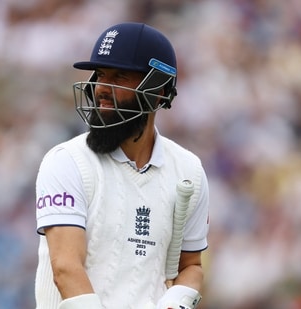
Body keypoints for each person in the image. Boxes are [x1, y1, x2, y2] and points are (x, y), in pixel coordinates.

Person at [34, 22, 210, 309]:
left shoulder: (189, 171)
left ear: (159, 90)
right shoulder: (67, 161)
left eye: (119, 76)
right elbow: (66, 268)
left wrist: (176, 303)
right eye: (101, 75)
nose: (102, 88)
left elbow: (190, 266)